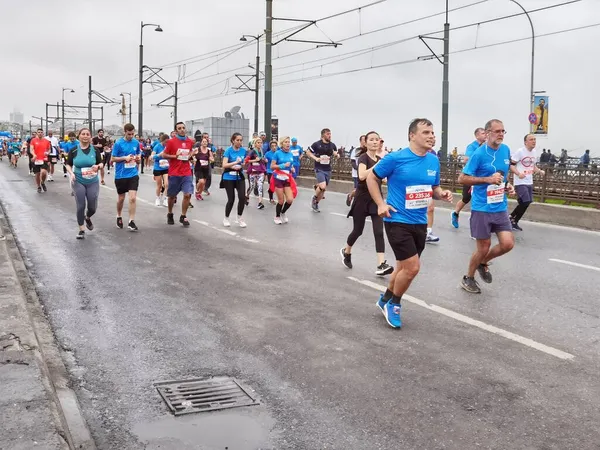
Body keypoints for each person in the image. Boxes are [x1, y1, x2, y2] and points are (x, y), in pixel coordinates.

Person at [367, 118, 452, 328]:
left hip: (419, 222)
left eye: (432, 132)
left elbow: (434, 188)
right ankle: (394, 304)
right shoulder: (396, 158)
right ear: (412, 135)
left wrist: (442, 194)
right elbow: (371, 178)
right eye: (426, 132)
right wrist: (380, 204)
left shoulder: (433, 160)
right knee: (412, 268)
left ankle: (385, 298)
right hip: (397, 219)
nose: (432, 136)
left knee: (403, 267)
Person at [458, 119, 515, 294]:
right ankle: (468, 277)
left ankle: (483, 263)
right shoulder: (479, 154)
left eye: (503, 131)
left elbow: (502, 175)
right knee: (483, 247)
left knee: (507, 244)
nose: (500, 134)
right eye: (497, 131)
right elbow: (462, 178)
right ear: (488, 132)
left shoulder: (505, 150)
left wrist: (507, 185)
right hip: (482, 207)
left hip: (499, 206)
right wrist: (487, 180)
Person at [341, 131, 393, 276]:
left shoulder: (379, 160)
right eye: (371, 140)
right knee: (358, 231)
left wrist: (383, 177)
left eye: (377, 140)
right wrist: (378, 167)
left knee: (378, 231)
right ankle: (346, 251)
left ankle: (381, 264)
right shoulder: (362, 158)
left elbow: (382, 179)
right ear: (366, 142)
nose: (375, 142)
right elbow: (362, 176)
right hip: (361, 199)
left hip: (376, 199)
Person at [65, 128, 103, 239]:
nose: (85, 136)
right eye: (83, 134)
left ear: (90, 136)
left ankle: (87, 217)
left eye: (87, 134)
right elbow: (68, 164)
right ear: (79, 136)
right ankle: (81, 229)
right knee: (81, 205)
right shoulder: (74, 150)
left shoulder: (95, 150)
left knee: (92, 207)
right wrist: (71, 173)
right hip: (78, 180)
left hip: (92, 181)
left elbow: (101, 163)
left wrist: (98, 166)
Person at [160, 122, 195, 227]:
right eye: (179, 128)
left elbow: (189, 154)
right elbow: (164, 155)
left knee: (187, 194)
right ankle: (170, 213)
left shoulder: (189, 141)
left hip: (186, 172)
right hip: (174, 172)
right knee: (171, 196)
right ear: (176, 131)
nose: (182, 130)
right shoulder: (171, 142)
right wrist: (175, 156)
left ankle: (183, 216)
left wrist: (191, 156)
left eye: (183, 128)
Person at [452, 127, 486, 228]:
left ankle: (476, 219)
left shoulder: (487, 146)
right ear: (477, 135)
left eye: (486, 133)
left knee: (481, 197)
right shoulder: (472, 146)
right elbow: (466, 160)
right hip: (470, 176)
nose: (485, 135)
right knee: (466, 198)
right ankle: (455, 213)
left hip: (482, 177)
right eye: (483, 133)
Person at [509, 134, 545, 231]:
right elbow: (511, 165)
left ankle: (514, 221)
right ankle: (511, 218)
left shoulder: (534, 152)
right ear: (525, 142)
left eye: (534, 139)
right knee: (525, 201)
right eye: (531, 139)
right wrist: (518, 173)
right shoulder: (520, 152)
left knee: (526, 202)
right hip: (520, 181)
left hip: (529, 180)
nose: (534, 141)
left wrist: (540, 171)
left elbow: (533, 166)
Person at [111, 123, 141, 231]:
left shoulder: (136, 142)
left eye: (133, 134)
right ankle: (119, 215)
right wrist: (125, 158)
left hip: (133, 174)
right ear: (125, 132)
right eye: (129, 134)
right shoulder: (118, 143)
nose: (131, 136)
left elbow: (138, 154)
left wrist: (138, 159)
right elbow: (113, 158)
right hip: (121, 175)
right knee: (121, 198)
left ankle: (131, 221)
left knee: (132, 198)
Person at [307, 128, 338, 212]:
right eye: (328, 134)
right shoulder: (316, 144)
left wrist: (336, 155)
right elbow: (308, 152)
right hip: (319, 168)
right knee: (323, 186)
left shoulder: (332, 145)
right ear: (323, 135)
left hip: (328, 169)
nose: (329, 135)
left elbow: (335, 153)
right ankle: (314, 197)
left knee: (323, 189)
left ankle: (316, 202)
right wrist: (315, 158)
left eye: (330, 134)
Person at [221, 133, 247, 228]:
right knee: (231, 199)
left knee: (242, 197)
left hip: (239, 176)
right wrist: (235, 163)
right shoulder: (228, 151)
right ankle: (226, 218)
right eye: (237, 140)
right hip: (228, 177)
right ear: (233, 140)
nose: (239, 142)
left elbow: (244, 162)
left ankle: (239, 218)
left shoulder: (243, 151)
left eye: (241, 140)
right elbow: (224, 165)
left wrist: (243, 164)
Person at [270, 136, 297, 224]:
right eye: (285, 142)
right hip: (278, 177)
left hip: (287, 178)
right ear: (282, 144)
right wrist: (282, 166)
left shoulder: (290, 154)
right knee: (281, 200)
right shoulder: (277, 153)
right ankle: (277, 216)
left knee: (290, 199)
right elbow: (272, 166)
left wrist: (292, 168)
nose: (288, 143)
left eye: (288, 142)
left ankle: (283, 213)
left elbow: (290, 164)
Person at [245, 137, 266, 210]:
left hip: (260, 171)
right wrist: (254, 160)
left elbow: (262, 159)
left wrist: (264, 160)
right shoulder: (252, 151)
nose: (260, 144)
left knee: (260, 185)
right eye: (258, 142)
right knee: (252, 186)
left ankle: (260, 203)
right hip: (253, 171)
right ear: (255, 144)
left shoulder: (262, 151)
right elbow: (246, 161)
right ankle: (247, 196)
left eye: (261, 143)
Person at [29, 128, 51, 193]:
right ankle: (39, 186)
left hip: (44, 159)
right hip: (36, 159)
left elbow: (49, 149)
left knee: (44, 173)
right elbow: (31, 149)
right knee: (37, 174)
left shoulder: (46, 141)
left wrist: (48, 152)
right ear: (37, 133)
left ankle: (42, 182)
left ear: (43, 133)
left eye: (41, 132)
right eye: (39, 132)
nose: (40, 133)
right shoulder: (33, 140)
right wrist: (34, 155)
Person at [151, 133, 170, 207]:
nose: (166, 143)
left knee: (167, 184)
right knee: (159, 185)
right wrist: (159, 155)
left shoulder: (168, 147)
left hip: (166, 167)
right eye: (166, 142)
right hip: (158, 167)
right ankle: (158, 198)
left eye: (168, 142)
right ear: (162, 141)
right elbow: (152, 156)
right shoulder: (157, 146)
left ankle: (165, 198)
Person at [347, 135, 366, 207]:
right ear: (360, 141)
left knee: (362, 190)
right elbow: (352, 161)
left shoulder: (367, 150)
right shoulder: (356, 150)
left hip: (365, 174)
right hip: (356, 174)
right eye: (364, 140)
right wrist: (358, 169)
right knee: (357, 189)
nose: (365, 141)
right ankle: (351, 196)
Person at [194, 137, 214, 202]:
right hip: (198, 168)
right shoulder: (198, 149)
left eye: (206, 142)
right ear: (201, 143)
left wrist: (211, 159)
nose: (205, 143)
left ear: (207, 143)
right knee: (201, 181)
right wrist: (194, 160)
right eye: (203, 141)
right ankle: (197, 191)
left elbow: (212, 159)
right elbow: (191, 155)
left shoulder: (209, 151)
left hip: (206, 168)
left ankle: (198, 193)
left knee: (203, 183)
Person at [264, 140, 277, 205]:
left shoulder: (279, 153)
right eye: (272, 146)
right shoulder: (268, 153)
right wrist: (265, 160)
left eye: (275, 146)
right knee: (272, 184)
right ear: (270, 147)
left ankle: (270, 191)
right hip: (270, 171)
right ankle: (271, 198)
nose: (274, 147)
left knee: (276, 185)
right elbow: (264, 159)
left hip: (277, 171)